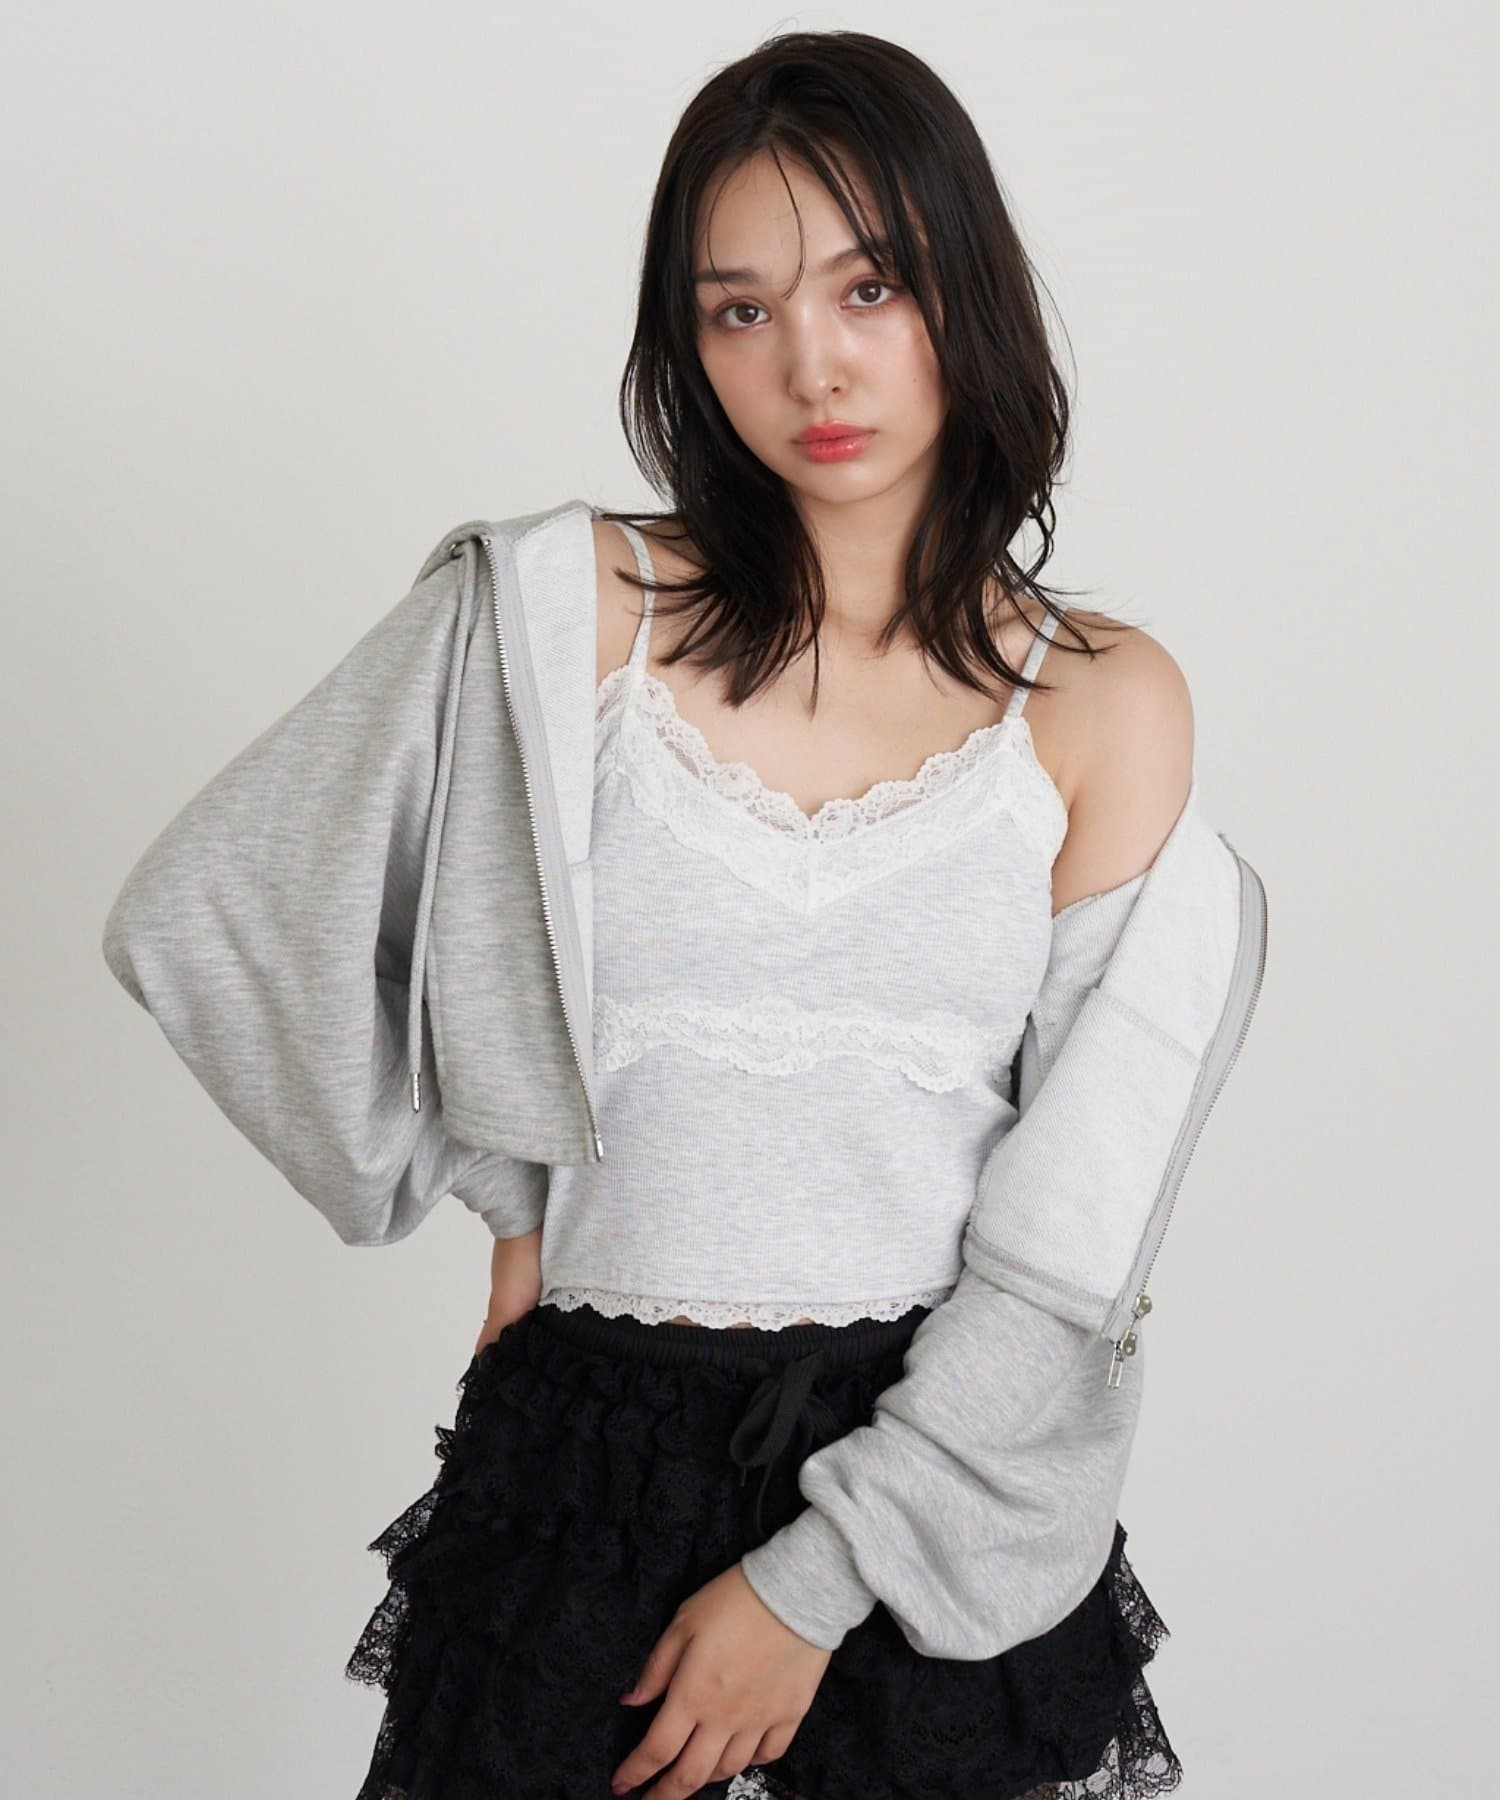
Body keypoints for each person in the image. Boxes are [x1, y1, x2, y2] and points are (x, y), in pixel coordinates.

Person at [102, 29, 1269, 1800]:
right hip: (586, 1463)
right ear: (687, 339)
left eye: (870, 286)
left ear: (966, 288)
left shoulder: (1106, 700)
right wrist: (511, 1180)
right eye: (740, 309)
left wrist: (812, 1586)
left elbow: (1077, 1240)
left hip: (924, 1488)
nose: (813, 363)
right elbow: (213, 909)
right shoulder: (567, 612)